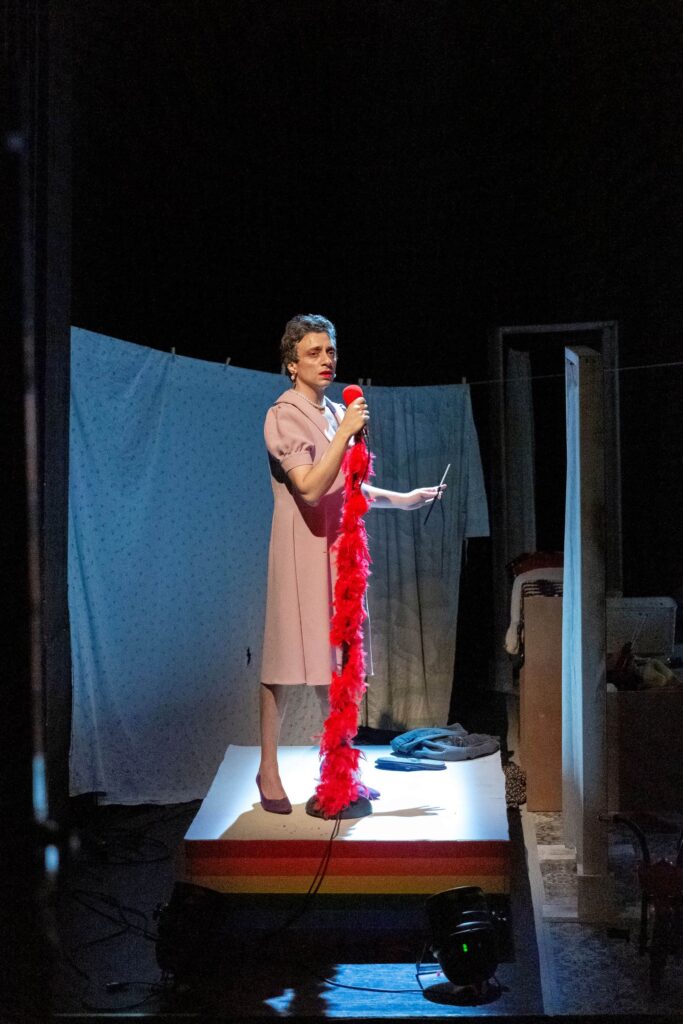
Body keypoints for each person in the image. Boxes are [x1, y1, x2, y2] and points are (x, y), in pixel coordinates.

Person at [257, 314, 444, 813]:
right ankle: (268, 768)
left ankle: (338, 771)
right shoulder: (284, 415)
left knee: (336, 664)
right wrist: (344, 434)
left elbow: (349, 488)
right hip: (301, 548)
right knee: (282, 662)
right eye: (314, 352)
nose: (326, 360)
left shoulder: (336, 413)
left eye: (331, 350)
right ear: (291, 363)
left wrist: (404, 499)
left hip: (337, 551)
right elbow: (310, 487)